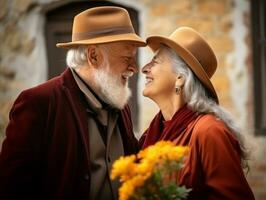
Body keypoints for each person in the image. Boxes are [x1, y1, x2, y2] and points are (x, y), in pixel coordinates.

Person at [0, 6, 146, 200]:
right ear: (93, 56)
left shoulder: (120, 104)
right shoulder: (39, 103)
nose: (134, 68)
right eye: (127, 58)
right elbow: (12, 188)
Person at [139, 27, 255, 200]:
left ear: (180, 77)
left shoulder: (210, 132)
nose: (144, 69)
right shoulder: (154, 132)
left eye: (155, 61)